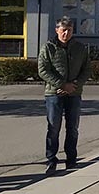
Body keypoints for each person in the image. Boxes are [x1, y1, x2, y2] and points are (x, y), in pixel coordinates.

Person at [38, 16, 91, 176]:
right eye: (63, 30)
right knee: (53, 127)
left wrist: (74, 85)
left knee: (72, 127)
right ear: (57, 30)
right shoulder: (48, 47)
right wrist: (62, 85)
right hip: (54, 94)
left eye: (69, 30)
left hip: (74, 93)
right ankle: (51, 160)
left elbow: (87, 70)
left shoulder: (80, 48)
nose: (66, 33)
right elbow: (43, 70)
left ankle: (71, 159)